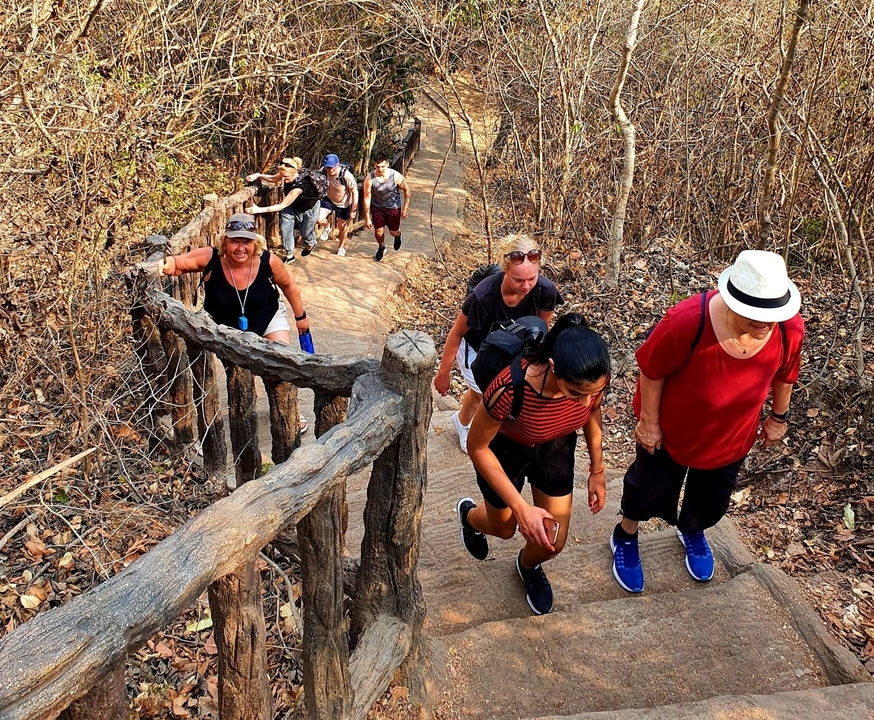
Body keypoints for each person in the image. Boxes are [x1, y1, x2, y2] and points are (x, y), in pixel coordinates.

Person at [610, 250, 804, 594]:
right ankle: (625, 534)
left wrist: (779, 416)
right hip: (671, 431)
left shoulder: (788, 328)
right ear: (732, 303)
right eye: (754, 315)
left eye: (770, 315)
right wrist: (649, 424)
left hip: (731, 436)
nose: (764, 324)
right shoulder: (687, 321)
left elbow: (785, 374)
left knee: (711, 495)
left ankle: (692, 529)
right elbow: (652, 371)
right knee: (647, 486)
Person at [455, 314, 610, 615]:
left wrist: (598, 469)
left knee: (553, 540)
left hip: (555, 448)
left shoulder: (593, 381)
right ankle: (470, 517)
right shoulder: (510, 388)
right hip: (505, 451)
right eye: (575, 393)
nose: (584, 401)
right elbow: (477, 445)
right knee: (504, 528)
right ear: (553, 368)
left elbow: (592, 413)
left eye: (592, 393)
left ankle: (527, 565)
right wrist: (520, 508)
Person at [157, 213, 311, 433]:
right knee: (242, 374)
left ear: (254, 243)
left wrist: (300, 317)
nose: (241, 247)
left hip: (268, 318)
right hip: (226, 330)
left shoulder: (269, 261)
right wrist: (159, 266)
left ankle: (291, 412)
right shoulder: (211, 258)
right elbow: (177, 264)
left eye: (246, 241)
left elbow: (289, 286)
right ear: (225, 242)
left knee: (280, 363)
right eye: (235, 241)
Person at [434, 235, 563, 453]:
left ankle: (468, 421)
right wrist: (443, 373)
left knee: (499, 393)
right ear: (505, 270)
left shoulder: (544, 290)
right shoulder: (483, 296)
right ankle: (465, 424)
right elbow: (456, 334)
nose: (526, 286)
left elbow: (541, 326)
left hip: (512, 346)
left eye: (532, 278)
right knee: (484, 393)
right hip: (477, 347)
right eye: (518, 280)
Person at [245, 157, 321, 261]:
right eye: (282, 176)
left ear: (294, 173)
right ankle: (290, 254)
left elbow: (281, 206)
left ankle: (311, 242)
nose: (283, 179)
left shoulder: (299, 187)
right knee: (286, 226)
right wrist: (258, 175)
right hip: (292, 205)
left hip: (309, 208)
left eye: (286, 177)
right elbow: (273, 179)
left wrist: (258, 209)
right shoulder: (285, 172)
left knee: (306, 232)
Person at [362, 152, 410, 262]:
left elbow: (407, 190)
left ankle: (398, 235)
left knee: (393, 231)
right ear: (374, 165)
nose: (380, 169)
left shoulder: (396, 176)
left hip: (393, 207)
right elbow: (367, 197)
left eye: (383, 166)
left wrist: (406, 207)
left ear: (387, 164)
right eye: (378, 166)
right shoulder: (369, 179)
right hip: (377, 208)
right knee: (378, 232)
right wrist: (367, 217)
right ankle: (382, 246)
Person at [315, 153, 358, 257]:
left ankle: (341, 247)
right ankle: (327, 226)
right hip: (328, 199)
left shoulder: (346, 175)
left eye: (331, 167)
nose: (330, 170)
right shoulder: (323, 171)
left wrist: (353, 209)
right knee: (318, 218)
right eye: (327, 167)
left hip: (343, 203)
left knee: (342, 227)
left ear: (337, 165)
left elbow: (355, 192)